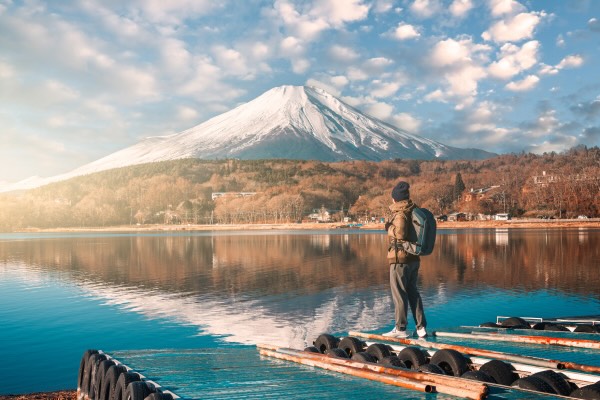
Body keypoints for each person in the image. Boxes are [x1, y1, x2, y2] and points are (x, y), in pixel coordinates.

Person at [383, 181, 427, 338]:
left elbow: (400, 233)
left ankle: (401, 329)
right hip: (413, 258)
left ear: (395, 199)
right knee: (413, 292)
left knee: (399, 294)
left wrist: (388, 227)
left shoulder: (400, 213)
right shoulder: (412, 210)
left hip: (400, 260)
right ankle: (421, 328)